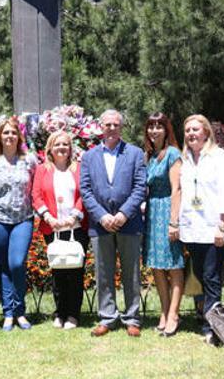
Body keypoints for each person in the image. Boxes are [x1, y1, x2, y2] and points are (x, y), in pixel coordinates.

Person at [80, 109, 146, 338]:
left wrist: (124, 213)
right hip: (101, 225)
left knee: (131, 273)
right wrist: (102, 216)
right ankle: (107, 317)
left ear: (121, 127)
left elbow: (140, 187)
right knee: (104, 273)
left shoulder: (135, 153)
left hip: (129, 222)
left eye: (115, 124)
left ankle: (132, 318)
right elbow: (85, 190)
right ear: (100, 126)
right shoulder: (88, 157)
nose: (111, 128)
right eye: (107, 124)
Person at [169, 114, 224, 345]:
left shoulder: (220, 157)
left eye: (196, 129)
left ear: (206, 132)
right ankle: (208, 319)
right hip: (192, 229)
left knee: (211, 277)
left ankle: (212, 328)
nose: (191, 134)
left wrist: (222, 225)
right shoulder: (185, 159)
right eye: (187, 130)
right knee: (202, 276)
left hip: (214, 229)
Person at [32, 130, 87, 330]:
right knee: (58, 270)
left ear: (70, 148)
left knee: (75, 271)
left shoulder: (79, 169)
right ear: (50, 148)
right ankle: (60, 312)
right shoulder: (42, 170)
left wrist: (74, 215)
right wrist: (48, 217)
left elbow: (85, 194)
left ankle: (73, 314)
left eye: (65, 144)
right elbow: (36, 195)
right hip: (52, 226)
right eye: (57, 144)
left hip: (76, 226)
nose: (61, 148)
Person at [0, 117, 38, 331]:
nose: (10, 136)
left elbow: (37, 187)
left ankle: (20, 309)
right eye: (6, 133)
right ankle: (9, 313)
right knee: (5, 267)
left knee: (17, 263)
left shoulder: (30, 160)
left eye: (13, 133)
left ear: (19, 136)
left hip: (23, 219)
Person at [141, 112, 184, 337]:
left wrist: (173, 222)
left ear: (167, 129)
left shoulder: (173, 154)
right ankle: (164, 310)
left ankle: (175, 313)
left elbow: (177, 189)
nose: (154, 130)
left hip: (168, 209)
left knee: (173, 264)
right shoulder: (149, 155)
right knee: (157, 264)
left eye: (159, 126)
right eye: (151, 126)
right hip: (152, 212)